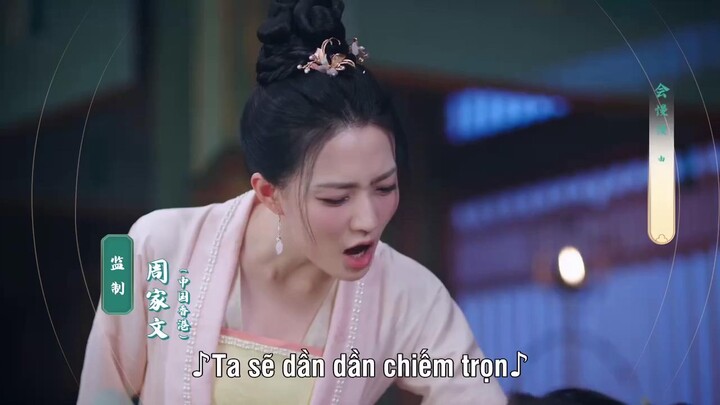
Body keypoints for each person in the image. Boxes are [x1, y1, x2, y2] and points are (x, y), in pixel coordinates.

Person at [77, 0, 506, 403]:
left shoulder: (407, 292)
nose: (368, 220)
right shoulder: (150, 244)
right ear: (269, 192)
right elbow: (102, 389)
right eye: (336, 198)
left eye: (384, 188)